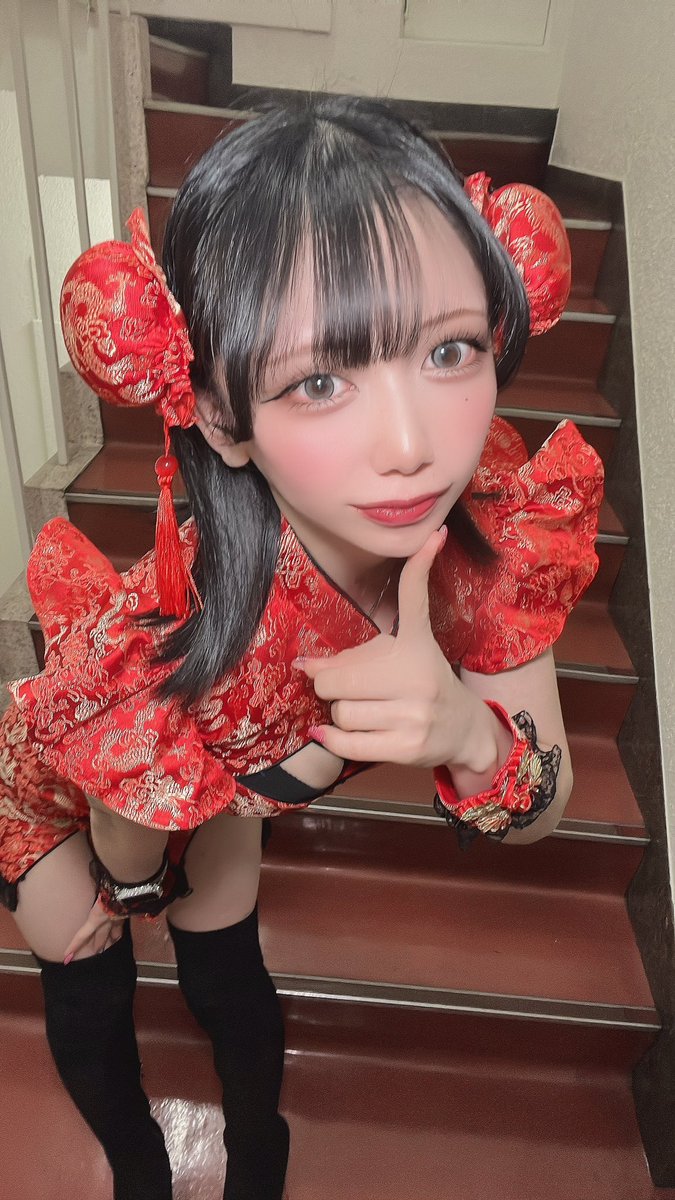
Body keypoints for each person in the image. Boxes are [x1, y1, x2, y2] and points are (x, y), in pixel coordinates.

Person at [0, 94, 603, 1200]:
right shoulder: (186, 628)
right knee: (89, 973)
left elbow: (543, 801)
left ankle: (259, 1157)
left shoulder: (487, 538)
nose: (414, 446)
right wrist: (128, 893)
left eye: (450, 348)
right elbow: (127, 833)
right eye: (319, 381)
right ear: (220, 418)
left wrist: (471, 736)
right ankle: (136, 1168)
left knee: (229, 975)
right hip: (80, 801)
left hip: (228, 781)